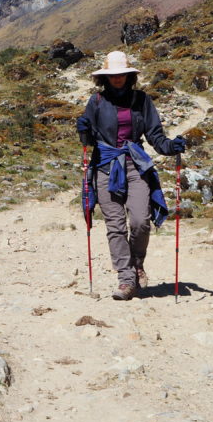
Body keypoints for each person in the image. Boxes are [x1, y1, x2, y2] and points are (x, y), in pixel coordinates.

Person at [76, 51, 186, 300]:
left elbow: (155, 136)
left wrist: (171, 147)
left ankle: (137, 263)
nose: (117, 78)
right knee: (115, 226)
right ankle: (126, 280)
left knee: (140, 220)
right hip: (105, 166)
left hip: (135, 165)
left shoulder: (142, 100)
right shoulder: (96, 102)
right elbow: (89, 139)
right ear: (105, 78)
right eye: (113, 74)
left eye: (122, 74)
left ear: (129, 75)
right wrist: (83, 131)